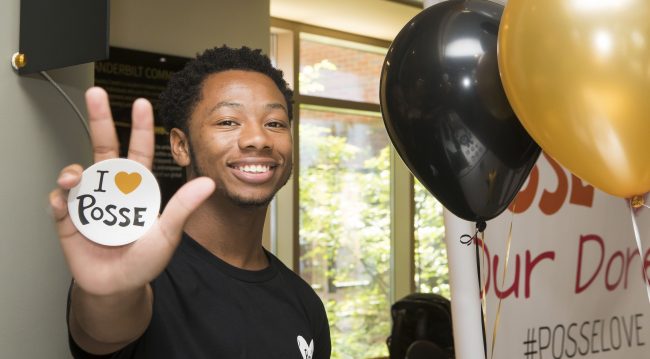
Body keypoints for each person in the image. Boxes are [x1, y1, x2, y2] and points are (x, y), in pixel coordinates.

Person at [49, 46, 331, 358]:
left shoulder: (304, 304)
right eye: (228, 121)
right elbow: (105, 330)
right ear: (181, 146)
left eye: (275, 123)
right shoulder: (142, 273)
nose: (259, 139)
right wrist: (110, 294)